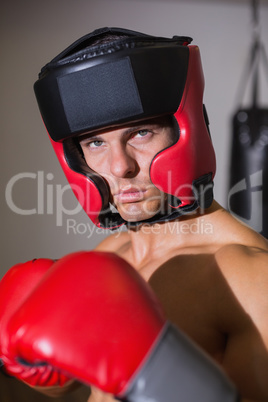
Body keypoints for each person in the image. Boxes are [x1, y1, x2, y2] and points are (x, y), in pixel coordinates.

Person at [1, 27, 268, 402]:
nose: (119, 166)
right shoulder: (107, 255)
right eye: (96, 142)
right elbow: (70, 383)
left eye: (140, 133)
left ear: (184, 129)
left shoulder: (250, 277)